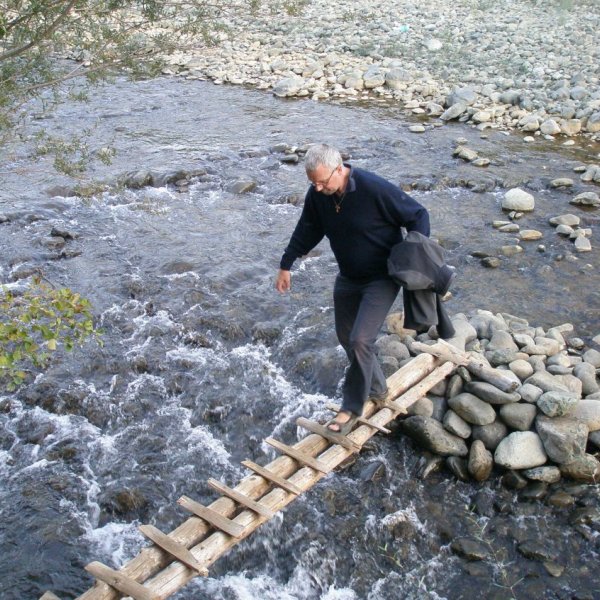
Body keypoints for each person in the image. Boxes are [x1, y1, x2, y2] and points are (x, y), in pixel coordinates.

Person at [275, 144, 430, 434]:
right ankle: (379, 390)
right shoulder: (319, 195)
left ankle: (351, 408)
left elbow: (418, 215)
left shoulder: (373, 189)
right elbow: (307, 228)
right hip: (348, 277)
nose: (318, 188)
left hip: (381, 278)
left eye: (323, 181)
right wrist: (286, 264)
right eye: (313, 183)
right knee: (347, 338)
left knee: (361, 339)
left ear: (339, 167)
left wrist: (415, 255)